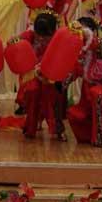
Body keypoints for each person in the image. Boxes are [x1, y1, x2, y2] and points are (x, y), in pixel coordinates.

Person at [10, 12, 67, 141]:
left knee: (52, 97)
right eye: (39, 35)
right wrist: (13, 42)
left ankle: (58, 128)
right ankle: (31, 125)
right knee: (32, 91)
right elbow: (14, 45)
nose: (41, 39)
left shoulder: (59, 39)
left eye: (45, 36)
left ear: (53, 32)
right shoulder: (29, 36)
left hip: (51, 75)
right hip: (33, 74)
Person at [67, 17, 102, 147]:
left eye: (83, 30)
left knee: (97, 93)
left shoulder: (101, 46)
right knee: (73, 112)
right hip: (87, 97)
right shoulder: (81, 52)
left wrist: (88, 37)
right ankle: (90, 135)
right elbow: (73, 71)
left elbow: (101, 48)